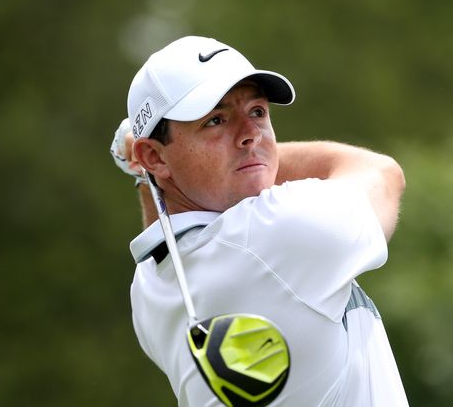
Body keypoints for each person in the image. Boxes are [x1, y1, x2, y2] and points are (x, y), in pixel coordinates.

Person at [111, 36, 408, 406]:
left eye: (257, 112)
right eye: (216, 120)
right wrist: (259, 157)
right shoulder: (276, 231)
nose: (251, 134)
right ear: (153, 155)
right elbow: (381, 172)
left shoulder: (149, 290)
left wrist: (148, 173)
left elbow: (165, 220)